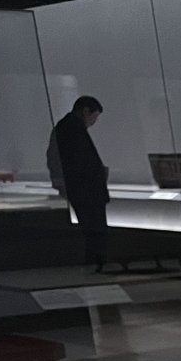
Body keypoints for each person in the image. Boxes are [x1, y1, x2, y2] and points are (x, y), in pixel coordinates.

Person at [49, 96, 110, 269]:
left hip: (83, 189)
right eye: (94, 117)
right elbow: (79, 161)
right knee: (95, 229)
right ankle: (95, 262)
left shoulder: (66, 127)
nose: (94, 122)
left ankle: (94, 262)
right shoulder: (72, 129)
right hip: (86, 190)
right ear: (85, 111)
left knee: (91, 229)